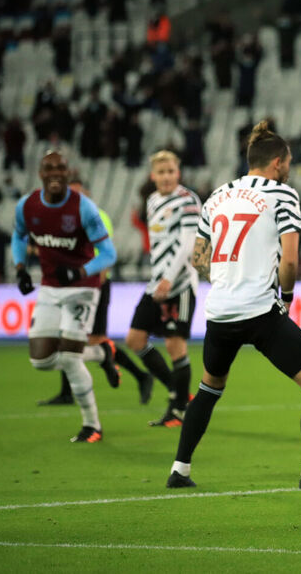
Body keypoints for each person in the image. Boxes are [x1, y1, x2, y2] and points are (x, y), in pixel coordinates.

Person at [167, 121, 301, 489]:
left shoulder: (217, 195)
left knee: (209, 388)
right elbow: (290, 261)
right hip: (259, 309)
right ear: (278, 163)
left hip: (219, 310)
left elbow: (199, 258)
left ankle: (179, 470)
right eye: (289, 162)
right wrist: (286, 297)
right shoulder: (282, 195)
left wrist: (224, 279)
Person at [11, 150, 118, 442]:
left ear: (68, 173)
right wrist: (20, 267)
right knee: (41, 361)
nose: (55, 172)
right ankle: (102, 352)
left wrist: (79, 271)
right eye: (49, 168)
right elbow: (19, 236)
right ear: (41, 173)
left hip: (83, 288)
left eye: (61, 168)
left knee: (70, 358)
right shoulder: (27, 205)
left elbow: (109, 254)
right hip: (49, 287)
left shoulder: (83, 208)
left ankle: (92, 426)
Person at [39, 176, 131, 406]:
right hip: (71, 287)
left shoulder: (98, 217)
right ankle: (69, 391)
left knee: (91, 339)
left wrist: (94, 287)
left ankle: (114, 362)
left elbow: (105, 254)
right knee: (67, 337)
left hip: (93, 286)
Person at [127, 150, 201, 427]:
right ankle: (178, 390)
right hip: (156, 282)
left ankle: (178, 409)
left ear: (178, 173)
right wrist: (159, 277)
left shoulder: (188, 201)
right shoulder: (153, 200)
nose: (167, 176)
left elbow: (186, 244)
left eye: (171, 171)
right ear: (153, 175)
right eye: (162, 172)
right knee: (135, 339)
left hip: (179, 283)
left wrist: (169, 278)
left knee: (174, 345)